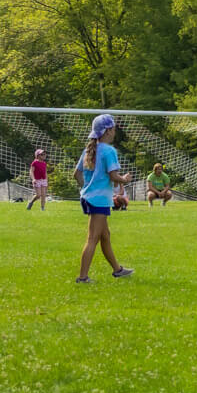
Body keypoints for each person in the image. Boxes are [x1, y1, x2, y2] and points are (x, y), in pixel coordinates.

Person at [74, 113, 135, 283]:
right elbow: (113, 175)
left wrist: (87, 188)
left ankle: (117, 270)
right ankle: (83, 277)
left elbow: (77, 174)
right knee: (93, 238)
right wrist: (124, 179)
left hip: (88, 198)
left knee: (105, 235)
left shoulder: (88, 150)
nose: (115, 131)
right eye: (114, 128)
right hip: (99, 200)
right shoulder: (109, 151)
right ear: (108, 131)